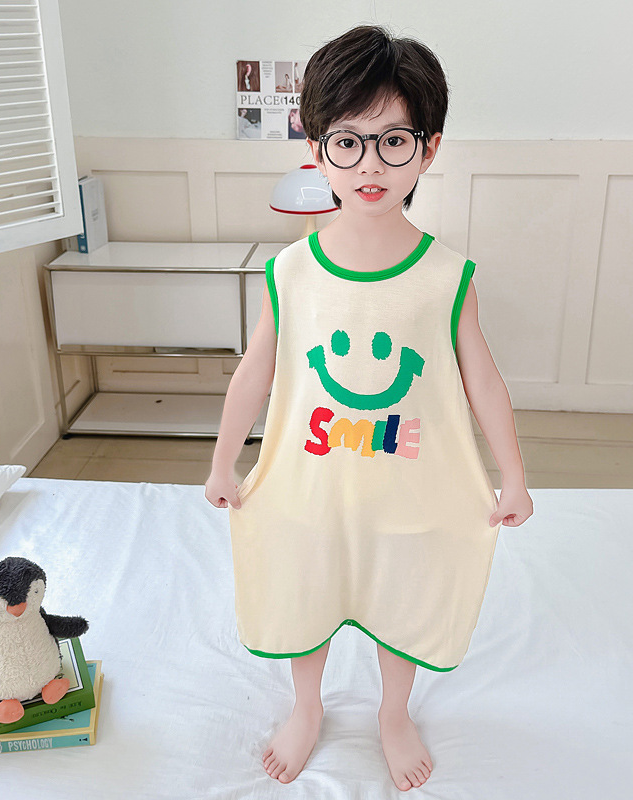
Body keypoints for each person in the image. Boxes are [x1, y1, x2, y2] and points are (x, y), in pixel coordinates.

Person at [205, 23, 534, 792]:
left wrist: (513, 475)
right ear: (316, 149)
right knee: (305, 591)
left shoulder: (447, 276)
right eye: (348, 142)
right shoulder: (291, 272)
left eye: (394, 141)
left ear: (429, 148)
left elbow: (483, 381)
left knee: (402, 597)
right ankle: (307, 706)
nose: (371, 165)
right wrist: (223, 463)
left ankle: (393, 712)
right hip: (308, 487)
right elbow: (255, 371)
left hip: (409, 488)